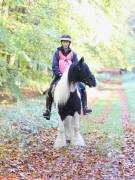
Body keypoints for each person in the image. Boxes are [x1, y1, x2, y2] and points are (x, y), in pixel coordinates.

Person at [43, 34, 92, 120]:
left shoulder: (74, 54)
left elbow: (77, 67)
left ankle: (85, 107)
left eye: (67, 42)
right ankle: (48, 111)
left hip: (71, 78)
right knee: (50, 90)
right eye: (64, 42)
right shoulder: (57, 53)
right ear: (61, 42)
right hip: (59, 77)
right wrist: (59, 74)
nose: (65, 43)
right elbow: (54, 66)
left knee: (83, 88)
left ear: (69, 43)